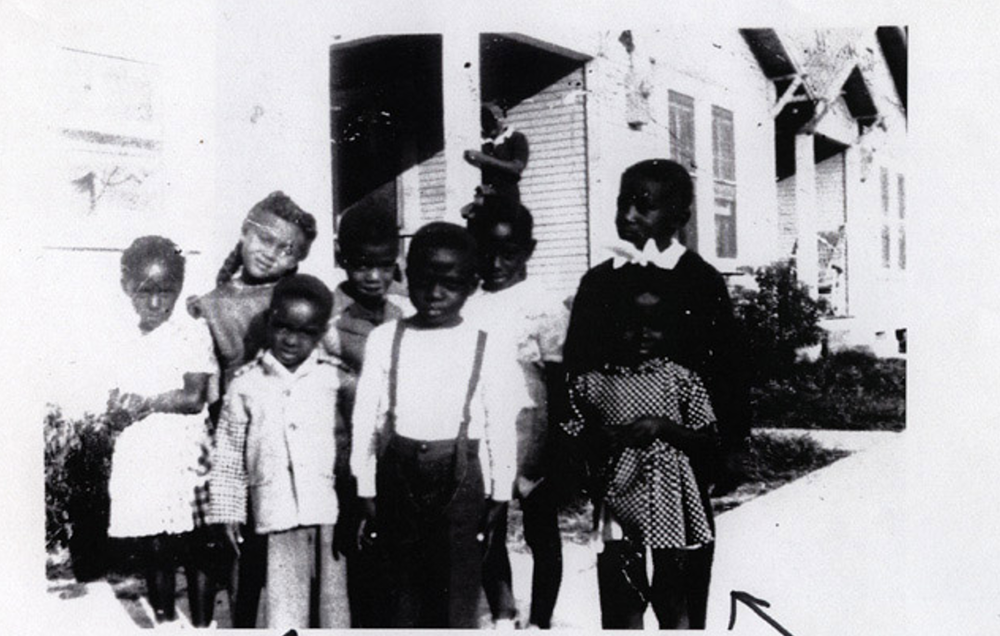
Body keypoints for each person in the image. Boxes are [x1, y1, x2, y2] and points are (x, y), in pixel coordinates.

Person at [350, 222, 527, 628]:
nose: (434, 294)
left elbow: (500, 422)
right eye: (424, 281)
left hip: (461, 478)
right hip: (397, 475)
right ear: (406, 277)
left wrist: (500, 491)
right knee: (399, 595)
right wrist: (365, 486)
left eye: (449, 283)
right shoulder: (385, 338)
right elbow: (366, 419)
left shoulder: (487, 342)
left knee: (455, 594)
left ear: (471, 284)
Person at [562, 159, 750, 489]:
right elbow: (578, 360)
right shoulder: (599, 281)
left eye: (644, 206)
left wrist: (732, 447)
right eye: (623, 204)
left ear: (680, 218)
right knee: (619, 533)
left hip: (685, 442)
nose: (628, 216)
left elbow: (727, 366)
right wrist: (586, 431)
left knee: (685, 531)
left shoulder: (699, 280)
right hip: (616, 440)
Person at [188, 190, 318, 627]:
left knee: (279, 552)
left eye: (288, 250)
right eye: (265, 239)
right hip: (229, 440)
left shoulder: (295, 297)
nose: (272, 254)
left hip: (284, 440)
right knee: (230, 546)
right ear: (245, 232)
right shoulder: (209, 306)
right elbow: (204, 380)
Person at [562, 275, 718, 629]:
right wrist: (595, 436)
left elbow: (705, 438)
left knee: (672, 587)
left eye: (656, 326)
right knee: (624, 587)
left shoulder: (680, 378)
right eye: (631, 325)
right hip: (618, 494)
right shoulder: (592, 381)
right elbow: (571, 432)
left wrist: (663, 427)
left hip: (670, 494)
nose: (644, 334)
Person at [208, 274, 349, 628]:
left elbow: (357, 440)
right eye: (283, 327)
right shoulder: (246, 383)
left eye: (305, 332)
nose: (291, 339)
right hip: (274, 512)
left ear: (320, 333)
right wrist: (228, 511)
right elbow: (228, 453)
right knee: (283, 606)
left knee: (330, 604)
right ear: (270, 321)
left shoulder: (334, 379)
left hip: (327, 512)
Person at [465, 197, 569, 629]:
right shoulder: (469, 303)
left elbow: (560, 379)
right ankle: (504, 609)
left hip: (534, 428)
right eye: (485, 251)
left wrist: (559, 445)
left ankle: (541, 619)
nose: (495, 263)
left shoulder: (544, 304)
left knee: (541, 528)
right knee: (488, 524)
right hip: (486, 427)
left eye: (508, 253)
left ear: (529, 249)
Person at [104, 236, 218, 627]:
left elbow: (194, 396)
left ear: (179, 288)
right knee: (155, 544)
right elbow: (117, 396)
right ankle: (167, 622)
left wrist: (147, 403)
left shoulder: (191, 333)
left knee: (196, 545)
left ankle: (203, 626)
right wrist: (118, 413)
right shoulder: (124, 339)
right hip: (144, 452)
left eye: (166, 292)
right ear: (126, 287)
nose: (156, 303)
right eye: (144, 292)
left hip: (185, 453)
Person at [321, 201, 410, 627]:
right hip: (348, 459)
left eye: (383, 265)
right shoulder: (329, 319)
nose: (373, 277)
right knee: (359, 563)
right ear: (342, 259)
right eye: (361, 266)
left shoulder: (408, 310)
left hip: (402, 455)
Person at [463, 102, 529, 214]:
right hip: (486, 195)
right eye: (484, 122)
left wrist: (484, 159)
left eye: (491, 122)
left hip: (508, 196)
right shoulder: (478, 140)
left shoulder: (516, 138)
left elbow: (517, 167)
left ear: (500, 119)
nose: (487, 127)